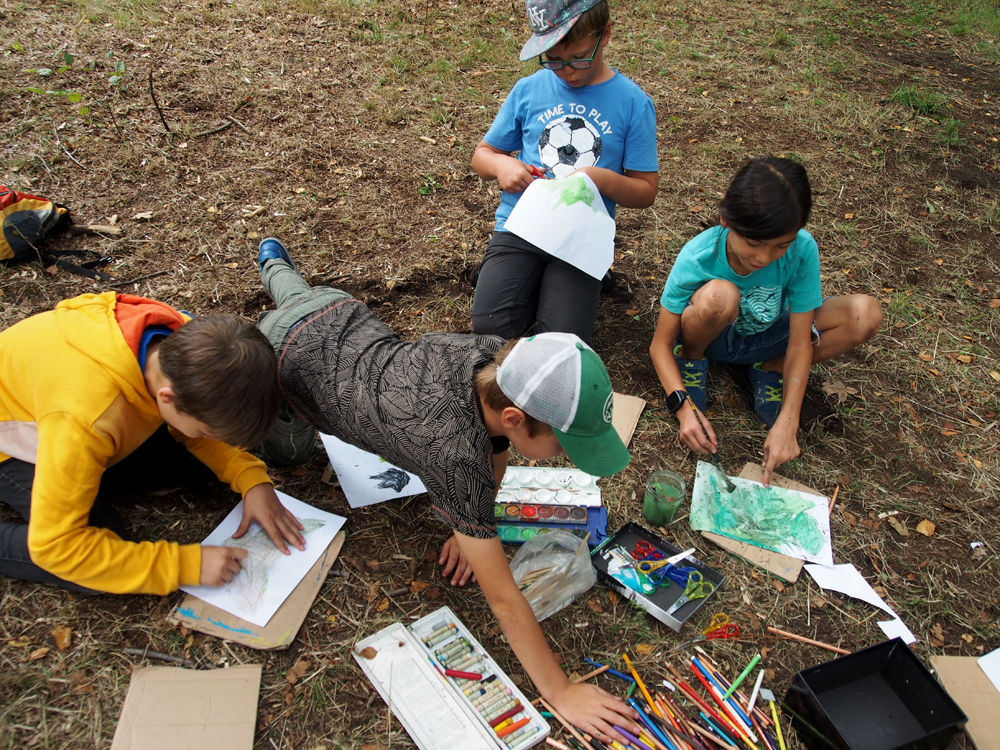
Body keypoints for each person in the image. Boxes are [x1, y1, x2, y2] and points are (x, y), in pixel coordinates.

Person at [254, 237, 643, 745]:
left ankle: (273, 265)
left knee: (293, 293)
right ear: (515, 417)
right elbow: (503, 599)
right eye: (565, 446)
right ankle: (231, 324)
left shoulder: (494, 359)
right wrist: (560, 690)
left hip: (336, 310)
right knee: (290, 449)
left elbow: (496, 441)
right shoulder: (454, 454)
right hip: (286, 364)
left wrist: (469, 527)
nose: (568, 458)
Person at [0, 291, 306, 595]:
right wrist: (182, 566)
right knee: (99, 559)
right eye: (206, 432)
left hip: (62, 407)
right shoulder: (86, 419)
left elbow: (197, 415)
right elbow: (55, 548)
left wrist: (252, 480)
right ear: (168, 397)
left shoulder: (186, 338)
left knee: (181, 456)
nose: (209, 438)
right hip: (12, 444)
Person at [649, 157, 882, 484]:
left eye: (780, 245)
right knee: (719, 296)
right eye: (753, 243)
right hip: (714, 338)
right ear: (725, 220)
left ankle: (770, 368)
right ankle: (691, 360)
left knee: (864, 314)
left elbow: (800, 342)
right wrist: (683, 408)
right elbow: (659, 344)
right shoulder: (698, 255)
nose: (763, 257)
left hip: (766, 334)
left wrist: (790, 421)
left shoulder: (802, 250)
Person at [469, 0, 658, 342]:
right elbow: (483, 154)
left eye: (580, 57)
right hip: (522, 225)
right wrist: (502, 164)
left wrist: (598, 178)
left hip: (580, 236)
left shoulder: (633, 103)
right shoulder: (529, 90)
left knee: (561, 340)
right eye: (554, 60)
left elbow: (646, 190)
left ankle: (582, 281)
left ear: (606, 34)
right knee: (489, 327)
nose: (568, 70)